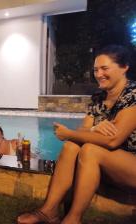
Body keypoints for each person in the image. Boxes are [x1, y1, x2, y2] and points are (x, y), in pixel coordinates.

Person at [17, 45, 136, 224]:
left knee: (89, 149)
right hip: (109, 163)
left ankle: (73, 219)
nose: (99, 74)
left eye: (105, 68)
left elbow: (113, 140)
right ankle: (48, 211)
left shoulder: (133, 95)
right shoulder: (99, 98)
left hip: (130, 164)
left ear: (124, 67)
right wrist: (95, 129)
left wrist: (68, 133)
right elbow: (82, 131)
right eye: (96, 69)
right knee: (72, 146)